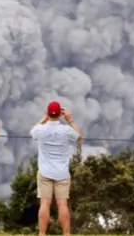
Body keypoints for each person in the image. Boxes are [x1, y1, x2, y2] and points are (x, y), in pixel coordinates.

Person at [30, 101, 82, 236]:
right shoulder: (66, 130)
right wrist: (70, 120)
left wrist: (44, 118)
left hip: (45, 173)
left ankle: (42, 233)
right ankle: (66, 234)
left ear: (48, 113)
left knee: (45, 204)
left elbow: (33, 132)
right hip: (62, 173)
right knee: (62, 205)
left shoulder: (40, 130)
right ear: (60, 114)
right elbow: (79, 137)